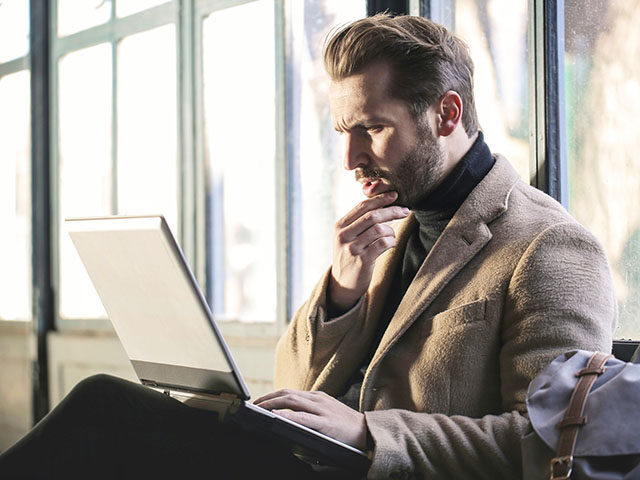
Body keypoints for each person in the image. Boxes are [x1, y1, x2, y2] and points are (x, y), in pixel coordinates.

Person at [0, 14, 616, 480]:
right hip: (302, 463)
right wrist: (344, 291)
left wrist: (370, 433)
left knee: (105, 413)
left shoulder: (550, 247)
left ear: (447, 114)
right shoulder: (391, 221)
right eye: (345, 133)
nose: (351, 160)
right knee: (108, 414)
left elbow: (554, 445)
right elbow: (290, 384)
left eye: (373, 129)